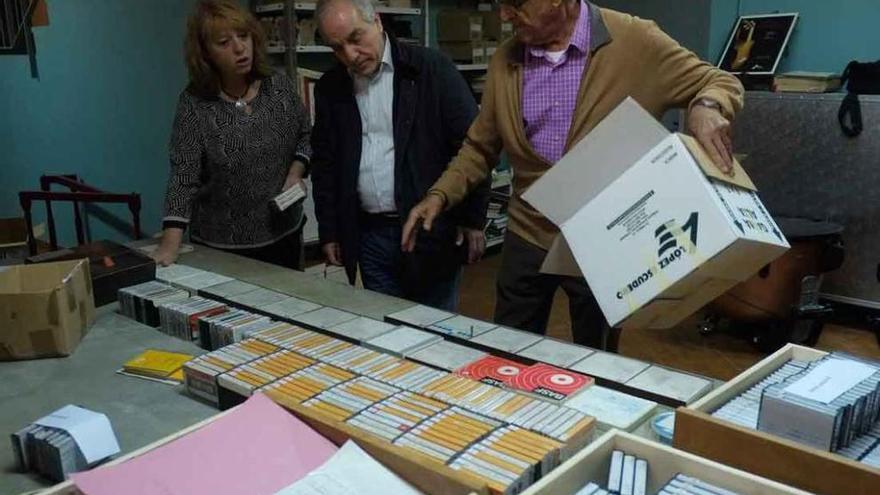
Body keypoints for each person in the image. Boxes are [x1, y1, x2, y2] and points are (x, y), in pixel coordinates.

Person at [402, 0, 745, 348]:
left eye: (515, 4)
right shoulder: (506, 60)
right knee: (507, 350)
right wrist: (440, 194)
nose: (504, 16)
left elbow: (719, 80)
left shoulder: (634, 40)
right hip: (527, 233)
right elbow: (480, 146)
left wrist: (707, 106)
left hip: (602, 236)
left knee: (596, 359)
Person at [310, 0, 490, 311]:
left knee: (435, 332)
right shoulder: (331, 87)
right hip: (368, 235)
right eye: (337, 48)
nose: (350, 56)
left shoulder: (431, 69)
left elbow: (473, 146)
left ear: (377, 21)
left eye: (356, 38)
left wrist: (472, 219)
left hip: (431, 231)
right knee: (387, 332)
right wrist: (330, 230)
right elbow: (325, 164)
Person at [152, 0, 312, 270]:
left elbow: (306, 137)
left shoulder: (279, 88)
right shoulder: (194, 104)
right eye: (224, 42)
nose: (239, 48)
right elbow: (183, 178)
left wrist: (296, 172)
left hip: (284, 233)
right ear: (206, 53)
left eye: (244, 36)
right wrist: (170, 244)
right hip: (222, 244)